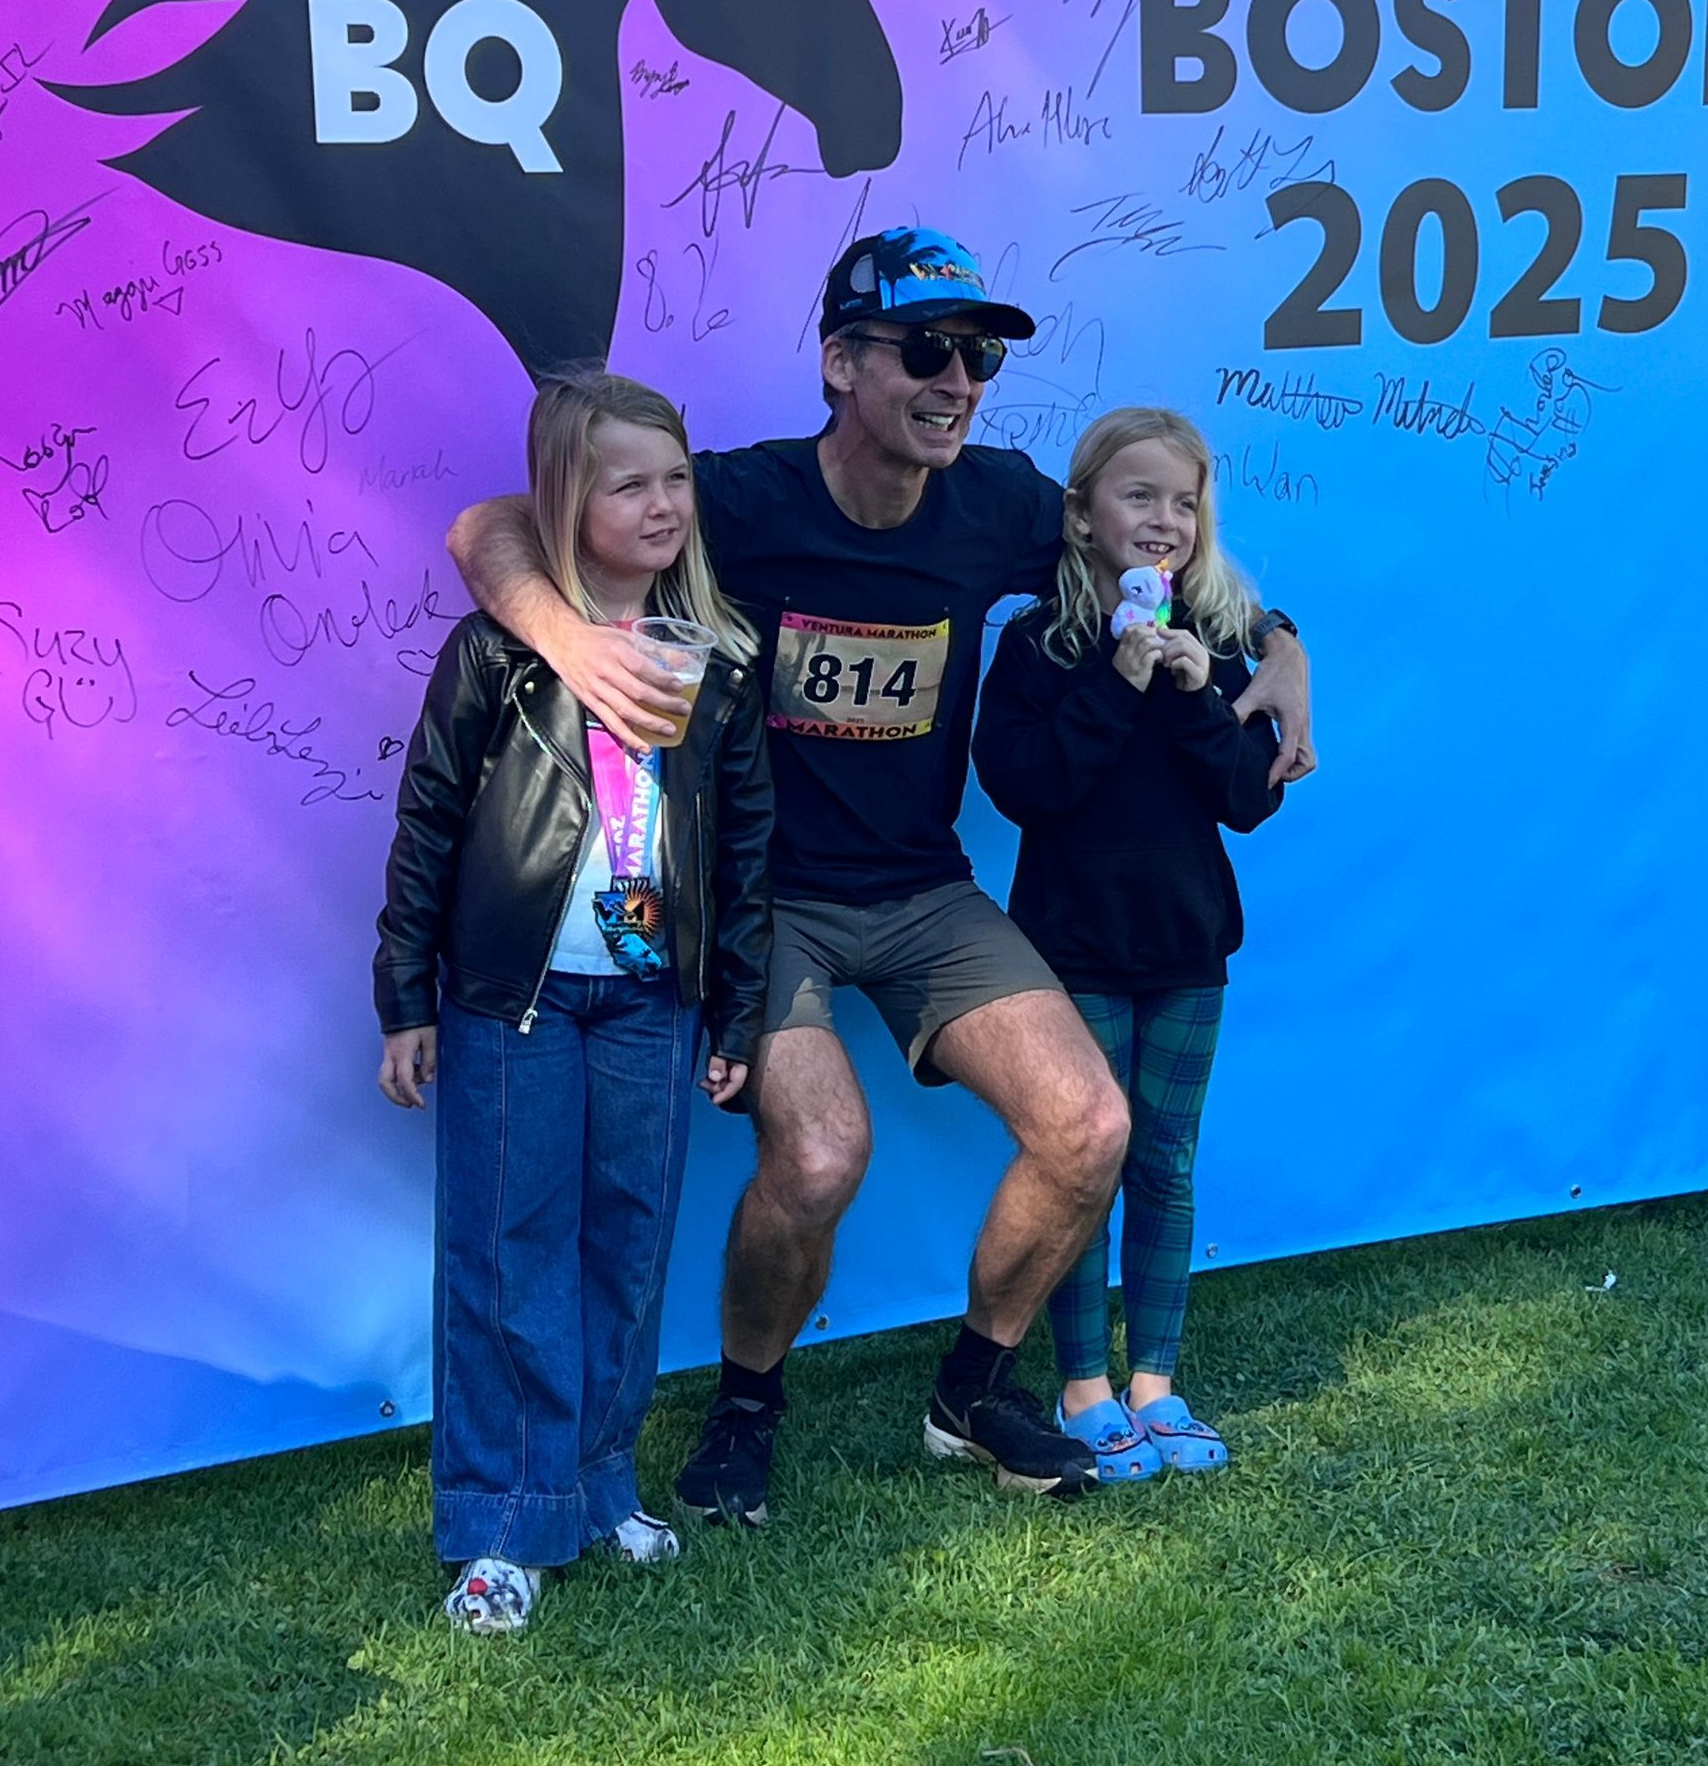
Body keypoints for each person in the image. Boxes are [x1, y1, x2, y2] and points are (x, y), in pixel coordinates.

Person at [447, 226, 1314, 1523]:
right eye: (928, 351)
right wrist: (569, 636)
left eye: (976, 358)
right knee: (818, 1157)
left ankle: (972, 1390)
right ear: (841, 364)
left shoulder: (1001, 506)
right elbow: (492, 527)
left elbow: (1160, 552)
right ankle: (748, 1403)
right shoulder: (744, 503)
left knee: (1092, 1128)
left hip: (922, 891)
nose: (958, 380)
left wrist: (1284, 647)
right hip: (767, 899)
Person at [374, 370, 773, 1632]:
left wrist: (738, 1012)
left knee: (628, 1237)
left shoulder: (720, 656)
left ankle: (599, 1485)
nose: (663, 504)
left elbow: (746, 846)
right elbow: (430, 818)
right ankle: (501, 1520)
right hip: (517, 1001)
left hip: (652, 1004)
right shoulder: (499, 647)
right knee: (508, 1245)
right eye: (627, 482)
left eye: (676, 478)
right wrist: (406, 994)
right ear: (564, 498)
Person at [973, 407, 1284, 1484]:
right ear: (1083, 512)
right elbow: (1028, 785)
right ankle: (1083, 1385)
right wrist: (1119, 677)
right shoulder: (1036, 644)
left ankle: (1155, 1378)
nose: (1163, 520)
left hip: (1189, 948)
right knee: (1083, 1164)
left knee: (1165, 1163)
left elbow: (1247, 800)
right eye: (1138, 496)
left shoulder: (1226, 636)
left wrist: (1200, 691)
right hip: (1074, 951)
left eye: (1184, 503)